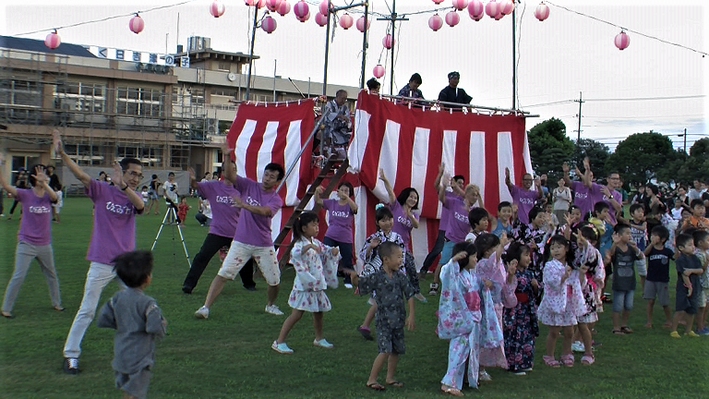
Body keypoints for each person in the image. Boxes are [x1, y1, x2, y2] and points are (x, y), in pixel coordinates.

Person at [54, 129, 146, 374]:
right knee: (87, 310)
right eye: (132, 173)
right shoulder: (102, 191)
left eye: (139, 175)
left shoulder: (132, 195)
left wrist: (125, 187)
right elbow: (81, 175)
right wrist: (62, 154)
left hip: (126, 265)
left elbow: (141, 206)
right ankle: (71, 355)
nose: (136, 178)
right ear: (121, 171)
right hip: (102, 262)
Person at [194, 161, 285, 319]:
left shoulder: (276, 199)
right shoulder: (249, 185)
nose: (267, 178)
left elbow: (264, 211)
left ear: (277, 182)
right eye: (266, 174)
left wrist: (244, 205)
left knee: (274, 280)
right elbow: (229, 175)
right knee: (223, 274)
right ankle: (205, 307)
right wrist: (227, 155)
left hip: (263, 244)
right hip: (241, 241)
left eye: (272, 177)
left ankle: (270, 305)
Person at [96, 250, 167, 399]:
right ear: (146, 278)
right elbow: (153, 327)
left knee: (127, 390)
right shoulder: (148, 303)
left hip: (121, 353)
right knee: (136, 392)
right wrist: (162, 324)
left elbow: (103, 318)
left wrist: (123, 322)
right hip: (140, 357)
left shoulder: (117, 298)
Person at [182, 160, 256, 295]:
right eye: (228, 169)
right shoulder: (213, 186)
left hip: (237, 232)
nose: (231, 172)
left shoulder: (242, 188)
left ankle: (249, 283)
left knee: (246, 258)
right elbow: (196, 185)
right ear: (223, 172)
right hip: (217, 231)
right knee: (202, 257)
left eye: (234, 169)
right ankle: (188, 285)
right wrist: (191, 178)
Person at [0, 161, 63, 319]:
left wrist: (45, 183)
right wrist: (1, 166)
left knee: (51, 274)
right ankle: (6, 308)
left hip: (44, 244)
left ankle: (57, 303)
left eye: (46, 174)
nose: (45, 176)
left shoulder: (48, 195)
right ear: (33, 177)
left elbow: (55, 197)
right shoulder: (25, 194)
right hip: (26, 243)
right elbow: (7, 187)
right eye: (41, 174)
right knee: (19, 275)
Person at [271, 212, 340, 354]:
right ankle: (279, 341)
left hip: (317, 285)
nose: (317, 227)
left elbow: (325, 250)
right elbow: (295, 254)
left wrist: (333, 251)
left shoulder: (315, 242)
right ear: (304, 228)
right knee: (296, 314)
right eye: (313, 225)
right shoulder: (300, 244)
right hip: (305, 286)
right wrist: (307, 248)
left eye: (317, 224)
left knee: (319, 312)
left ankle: (319, 338)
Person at [351, 242, 415, 391]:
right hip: (383, 321)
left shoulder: (400, 276)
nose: (401, 260)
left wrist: (411, 315)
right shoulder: (377, 277)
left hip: (398, 320)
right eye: (398, 257)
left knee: (395, 350)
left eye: (401, 257)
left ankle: (390, 378)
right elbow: (362, 284)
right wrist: (354, 279)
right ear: (386, 259)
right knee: (385, 350)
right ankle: (372, 379)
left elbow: (410, 294)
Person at [437, 241, 497, 396]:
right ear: (465, 257)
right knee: (459, 351)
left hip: (472, 318)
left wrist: (485, 285)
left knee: (471, 351)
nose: (476, 259)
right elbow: (446, 276)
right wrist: (453, 261)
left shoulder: (471, 275)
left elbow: (478, 287)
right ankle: (448, 383)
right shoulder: (455, 273)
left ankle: (466, 378)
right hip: (462, 319)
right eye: (474, 256)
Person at [356, 205, 407, 340]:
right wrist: (370, 247)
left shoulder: (397, 237)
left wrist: (401, 271)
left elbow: (403, 255)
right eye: (383, 220)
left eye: (389, 219)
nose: (388, 222)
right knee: (381, 300)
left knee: (381, 301)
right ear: (378, 223)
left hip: (394, 273)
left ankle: (367, 326)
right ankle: (378, 326)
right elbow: (363, 256)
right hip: (380, 275)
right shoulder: (373, 238)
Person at [537, 235, 585, 367]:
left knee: (569, 331)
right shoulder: (550, 266)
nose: (556, 251)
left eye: (559, 247)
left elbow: (579, 282)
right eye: (553, 248)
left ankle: (566, 353)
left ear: (566, 249)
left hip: (569, 302)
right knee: (554, 331)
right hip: (555, 302)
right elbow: (552, 283)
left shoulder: (572, 265)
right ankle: (549, 355)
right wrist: (564, 277)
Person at [474, 233, 517, 380]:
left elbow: (502, 282)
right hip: (485, 306)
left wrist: (510, 275)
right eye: (496, 247)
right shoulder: (483, 263)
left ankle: (483, 366)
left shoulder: (498, 263)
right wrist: (502, 244)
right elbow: (493, 261)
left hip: (496, 305)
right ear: (487, 251)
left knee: (493, 336)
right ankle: (478, 367)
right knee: (484, 335)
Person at [430, 178, 483, 295]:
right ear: (467, 194)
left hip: (464, 242)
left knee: (463, 265)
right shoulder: (455, 202)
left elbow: (482, 218)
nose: (475, 197)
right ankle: (434, 284)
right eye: (473, 194)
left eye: (476, 195)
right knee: (443, 262)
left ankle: (459, 286)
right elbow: (442, 199)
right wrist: (443, 186)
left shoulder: (473, 211)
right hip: (451, 239)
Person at [379, 169, 424, 300]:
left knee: (411, 267)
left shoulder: (415, 214)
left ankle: (416, 291)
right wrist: (385, 180)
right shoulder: (396, 207)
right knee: (386, 267)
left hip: (404, 246)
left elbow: (416, 225)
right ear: (405, 196)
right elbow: (391, 193)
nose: (413, 199)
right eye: (411, 196)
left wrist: (410, 215)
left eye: (415, 198)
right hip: (390, 243)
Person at [568, 226, 605, 365]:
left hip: (586, 290)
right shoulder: (575, 251)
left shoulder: (593, 253)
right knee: (569, 323)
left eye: (586, 238)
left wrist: (585, 243)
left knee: (584, 323)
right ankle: (568, 351)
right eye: (579, 237)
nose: (581, 241)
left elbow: (588, 258)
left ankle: (588, 352)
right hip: (572, 288)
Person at [502, 242, 539, 375]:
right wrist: (511, 275)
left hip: (527, 309)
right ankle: (513, 364)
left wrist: (535, 286)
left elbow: (536, 292)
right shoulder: (511, 272)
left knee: (527, 335)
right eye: (525, 255)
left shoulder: (529, 273)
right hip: (515, 309)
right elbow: (507, 286)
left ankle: (526, 361)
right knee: (515, 335)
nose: (528, 258)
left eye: (529, 255)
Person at [420, 166, 463, 277]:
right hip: (445, 228)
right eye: (459, 183)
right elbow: (436, 186)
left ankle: (453, 273)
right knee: (437, 249)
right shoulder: (447, 194)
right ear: (453, 183)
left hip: (457, 230)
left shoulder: (463, 198)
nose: (461, 185)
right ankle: (424, 269)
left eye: (462, 184)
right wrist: (440, 174)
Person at [604, 224, 645, 335]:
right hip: (619, 281)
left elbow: (641, 256)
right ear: (620, 235)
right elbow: (609, 255)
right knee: (617, 305)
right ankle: (616, 327)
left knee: (628, 305)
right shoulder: (616, 248)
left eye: (630, 233)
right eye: (627, 233)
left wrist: (636, 248)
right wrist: (615, 243)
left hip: (630, 281)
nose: (629, 235)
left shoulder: (631, 248)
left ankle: (624, 324)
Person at [314, 182, 357, 288]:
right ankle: (322, 278)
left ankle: (348, 280)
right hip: (331, 234)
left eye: (346, 190)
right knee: (324, 255)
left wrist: (347, 197)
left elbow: (355, 209)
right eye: (341, 190)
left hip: (345, 237)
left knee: (347, 259)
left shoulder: (350, 204)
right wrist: (316, 192)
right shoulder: (332, 203)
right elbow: (318, 201)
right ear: (337, 192)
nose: (343, 192)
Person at [670, 233, 704, 338]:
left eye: (693, 244)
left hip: (695, 286)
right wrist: (689, 287)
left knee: (692, 309)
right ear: (681, 248)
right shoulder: (681, 260)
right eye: (689, 245)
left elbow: (701, 270)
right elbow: (684, 274)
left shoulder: (695, 258)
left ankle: (688, 330)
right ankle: (674, 330)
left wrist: (691, 270)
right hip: (683, 288)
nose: (693, 247)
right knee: (680, 309)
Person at [642, 225, 674, 329]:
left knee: (664, 303)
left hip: (662, 280)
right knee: (650, 301)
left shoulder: (667, 251)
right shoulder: (651, 249)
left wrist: (677, 247)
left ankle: (669, 320)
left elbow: (675, 258)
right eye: (652, 235)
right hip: (650, 279)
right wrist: (651, 244)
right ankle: (649, 321)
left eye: (656, 236)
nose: (653, 237)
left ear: (663, 239)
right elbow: (644, 254)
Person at [321, 89, 351, 158]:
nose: (343, 101)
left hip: (340, 128)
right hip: (329, 126)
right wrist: (339, 116)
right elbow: (327, 115)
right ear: (337, 97)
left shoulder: (345, 107)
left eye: (345, 99)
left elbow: (347, 118)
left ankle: (344, 152)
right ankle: (329, 151)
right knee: (327, 132)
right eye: (342, 98)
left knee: (348, 134)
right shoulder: (329, 104)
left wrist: (346, 121)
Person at [691, 229, 709, 335]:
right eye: (708, 240)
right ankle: (699, 327)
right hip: (701, 284)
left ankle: (703, 324)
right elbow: (700, 269)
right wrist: (706, 262)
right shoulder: (699, 255)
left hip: (706, 283)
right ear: (700, 243)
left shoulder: (705, 253)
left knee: (705, 305)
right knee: (701, 306)